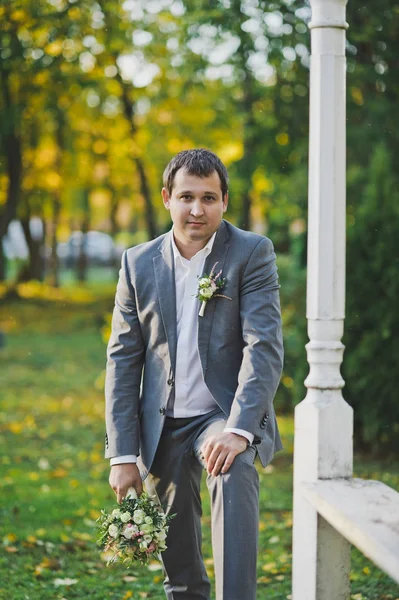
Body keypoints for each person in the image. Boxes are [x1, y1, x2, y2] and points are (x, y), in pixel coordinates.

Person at [105, 148, 284, 600]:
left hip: (220, 415)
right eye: (187, 196)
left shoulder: (251, 253)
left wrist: (240, 429)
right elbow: (124, 361)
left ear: (225, 201)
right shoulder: (137, 263)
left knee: (233, 466)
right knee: (180, 568)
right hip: (161, 423)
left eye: (209, 197)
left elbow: (262, 348)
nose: (197, 209)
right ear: (167, 198)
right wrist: (123, 454)